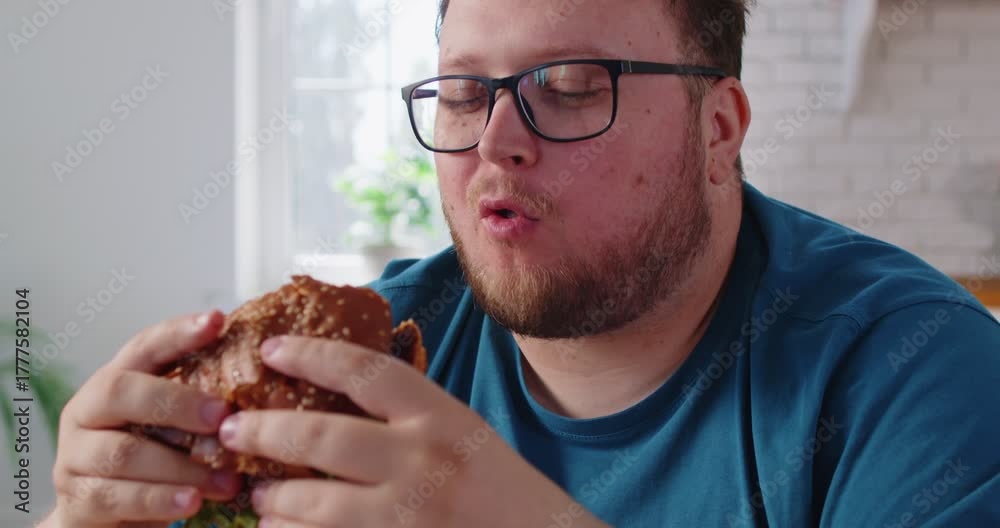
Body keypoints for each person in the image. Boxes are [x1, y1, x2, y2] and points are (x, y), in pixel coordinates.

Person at [41, 0, 1000, 527]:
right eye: (463, 94)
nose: (496, 141)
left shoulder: (917, 375)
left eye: (572, 87)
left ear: (719, 130)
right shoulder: (375, 353)